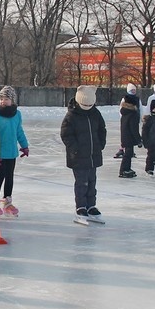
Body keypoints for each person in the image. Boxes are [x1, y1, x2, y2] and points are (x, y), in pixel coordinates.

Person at [60, 85, 106, 222]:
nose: (87, 107)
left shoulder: (95, 113)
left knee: (92, 182)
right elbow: (66, 134)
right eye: (85, 104)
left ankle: (91, 206)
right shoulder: (71, 116)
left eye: (90, 104)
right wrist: (75, 149)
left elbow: (101, 129)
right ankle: (81, 207)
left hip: (93, 155)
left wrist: (100, 144)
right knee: (82, 182)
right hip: (78, 157)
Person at [0, 85, 29, 215]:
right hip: (0, 152)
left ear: (12, 100)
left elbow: (19, 131)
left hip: (12, 152)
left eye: (6, 98)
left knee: (9, 177)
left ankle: (7, 202)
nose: (3, 101)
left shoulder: (17, 114)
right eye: (1, 98)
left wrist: (24, 145)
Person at [118, 83, 141, 177]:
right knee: (128, 154)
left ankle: (127, 168)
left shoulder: (125, 112)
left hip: (125, 135)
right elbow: (133, 128)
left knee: (129, 153)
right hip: (129, 136)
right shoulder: (132, 114)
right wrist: (139, 140)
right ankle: (123, 170)